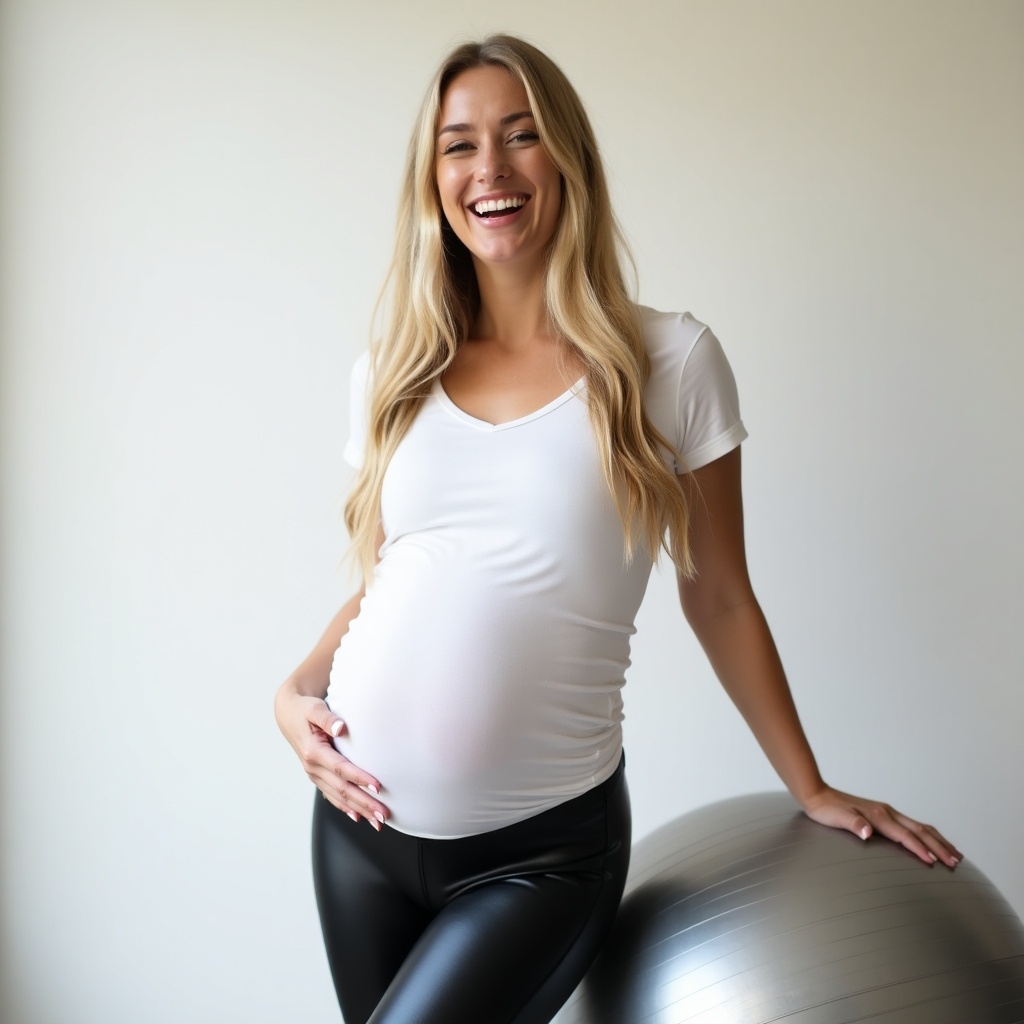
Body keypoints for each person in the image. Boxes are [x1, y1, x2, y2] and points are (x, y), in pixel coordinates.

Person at [274, 34, 961, 1024]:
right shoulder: (394, 371)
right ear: (432, 179)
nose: (490, 169)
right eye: (459, 145)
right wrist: (294, 687)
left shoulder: (669, 360)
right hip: (354, 832)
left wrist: (807, 785)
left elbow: (716, 590)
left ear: (570, 162)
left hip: (536, 859)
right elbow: (399, 580)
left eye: (522, 136)